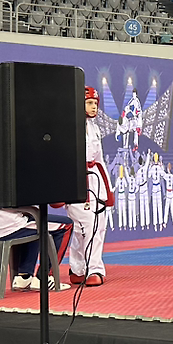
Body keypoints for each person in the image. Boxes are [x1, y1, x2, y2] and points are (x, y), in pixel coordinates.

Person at [67, 86, 115, 286]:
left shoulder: (94, 128)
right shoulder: (68, 127)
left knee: (95, 227)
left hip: (95, 180)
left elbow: (100, 160)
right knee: (85, 226)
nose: (94, 107)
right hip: (76, 180)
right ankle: (91, 268)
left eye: (95, 103)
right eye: (89, 103)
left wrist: (107, 190)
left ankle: (80, 269)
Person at [163, 162, 173, 227]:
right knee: (172, 208)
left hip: (168, 192)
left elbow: (163, 175)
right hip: (171, 193)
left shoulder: (166, 176)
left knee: (167, 208)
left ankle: (165, 222)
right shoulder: (172, 176)